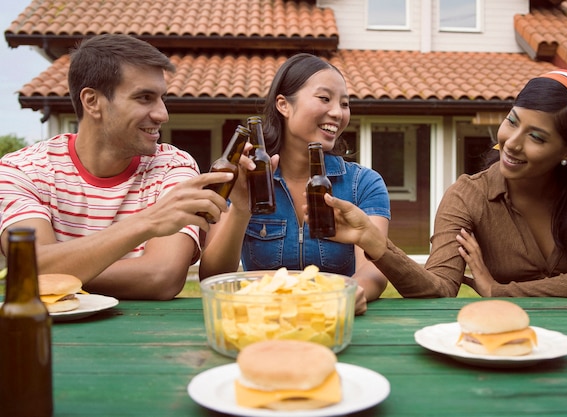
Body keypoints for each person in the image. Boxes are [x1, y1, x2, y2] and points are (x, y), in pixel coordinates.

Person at [316, 69, 567, 299]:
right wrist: (375, 243)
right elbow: (439, 289)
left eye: (537, 137)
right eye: (513, 121)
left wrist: (498, 290)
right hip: (500, 344)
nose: (512, 144)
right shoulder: (468, 196)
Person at [0, 34, 235, 300]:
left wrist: (54, 271)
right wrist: (149, 221)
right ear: (92, 102)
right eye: (144, 98)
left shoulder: (173, 165)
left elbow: (162, 277)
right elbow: (31, 266)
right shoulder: (21, 171)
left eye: (161, 98)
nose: (163, 114)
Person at [199, 53, 391, 314]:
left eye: (345, 104)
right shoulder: (245, 177)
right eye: (324, 99)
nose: (337, 112)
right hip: (263, 320)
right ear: (283, 105)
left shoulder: (363, 184)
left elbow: (374, 266)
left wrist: (348, 294)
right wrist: (241, 209)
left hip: (333, 318)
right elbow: (212, 276)